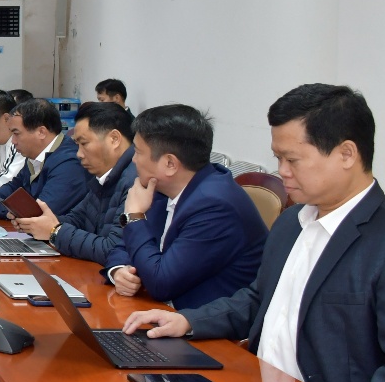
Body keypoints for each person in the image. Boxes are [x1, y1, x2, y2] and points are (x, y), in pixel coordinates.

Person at [125, 84, 385, 382]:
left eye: (292, 160)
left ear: (346, 154)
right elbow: (261, 299)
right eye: (277, 159)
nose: (282, 172)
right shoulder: (293, 222)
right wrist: (188, 320)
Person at [104, 104, 266, 309]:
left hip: (203, 323)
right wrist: (118, 270)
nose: (133, 159)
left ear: (170, 164)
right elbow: (125, 244)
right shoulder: (163, 188)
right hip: (161, 310)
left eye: (137, 152)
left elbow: (161, 283)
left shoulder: (215, 206)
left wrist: (133, 216)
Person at [14, 101, 137, 265]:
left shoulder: (134, 182)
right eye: (77, 145)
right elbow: (77, 219)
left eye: (84, 144)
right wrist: (36, 222)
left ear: (114, 139)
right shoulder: (103, 177)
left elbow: (113, 249)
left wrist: (55, 231)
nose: (79, 154)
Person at [0, 98, 92, 221]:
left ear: (41, 132)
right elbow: (14, 187)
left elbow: (41, 213)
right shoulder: (36, 155)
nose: (13, 141)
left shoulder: (69, 164)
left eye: (16, 134)